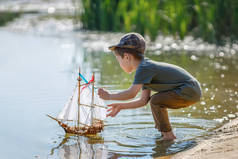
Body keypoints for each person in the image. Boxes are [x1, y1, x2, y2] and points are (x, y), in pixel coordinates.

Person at [98, 32, 202, 140]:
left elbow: (131, 93)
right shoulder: (145, 68)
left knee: (156, 100)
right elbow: (143, 101)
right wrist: (121, 106)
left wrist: (109, 96)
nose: (119, 64)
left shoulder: (144, 68)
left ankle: (168, 136)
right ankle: (165, 134)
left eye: (118, 60)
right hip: (192, 90)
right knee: (154, 101)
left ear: (126, 57)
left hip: (189, 89)